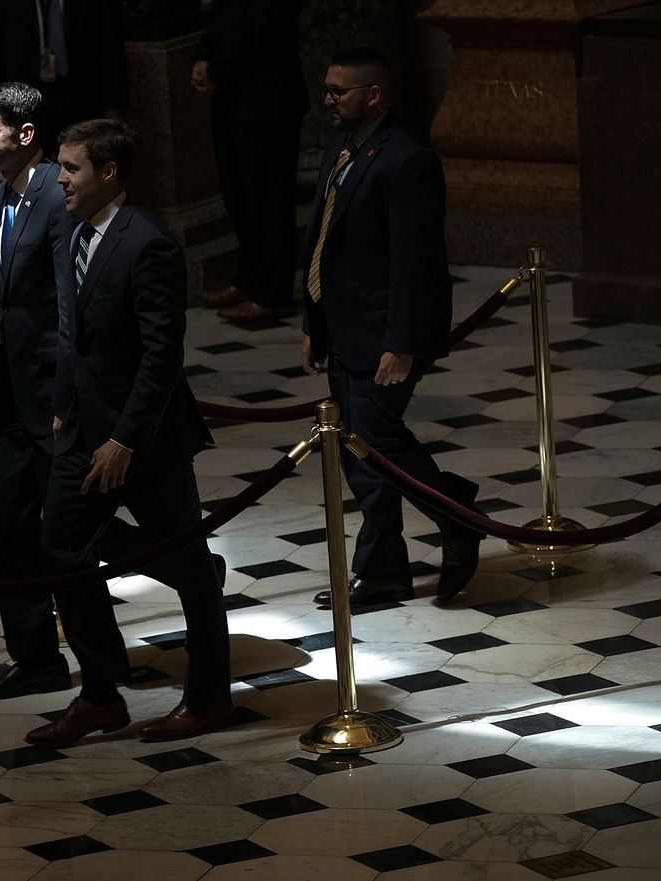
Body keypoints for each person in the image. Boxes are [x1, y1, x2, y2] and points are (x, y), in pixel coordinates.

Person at [28, 119, 233, 746]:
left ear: (108, 173)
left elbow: (160, 357)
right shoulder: (70, 234)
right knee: (60, 549)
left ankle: (207, 699)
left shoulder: (149, 244)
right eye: (60, 166)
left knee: (192, 571)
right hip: (84, 432)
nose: (59, 178)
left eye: (71, 168)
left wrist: (125, 440)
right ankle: (99, 694)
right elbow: (71, 334)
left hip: (147, 444)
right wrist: (64, 404)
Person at [301, 47, 482, 609]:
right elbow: (327, 244)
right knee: (359, 452)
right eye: (326, 89)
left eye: (339, 91)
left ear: (374, 95)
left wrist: (400, 344)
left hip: (385, 334)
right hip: (344, 325)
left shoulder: (408, 160)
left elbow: (416, 262)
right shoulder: (343, 147)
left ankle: (458, 516)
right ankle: (382, 569)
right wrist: (315, 321)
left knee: (377, 439)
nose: (327, 100)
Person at [0, 82, 78, 700]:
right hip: (10, 398)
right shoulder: (3, 197)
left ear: (24, 135)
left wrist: (65, 397)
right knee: (6, 531)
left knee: (70, 531)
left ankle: (181, 565)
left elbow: (67, 307)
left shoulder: (54, 199)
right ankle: (35, 659)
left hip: (51, 401)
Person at [193, 0, 307, 324]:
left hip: (266, 99)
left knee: (268, 199)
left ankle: (272, 292)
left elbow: (263, 33)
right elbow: (220, 17)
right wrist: (202, 56)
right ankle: (250, 277)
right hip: (232, 98)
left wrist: (217, 70)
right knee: (239, 196)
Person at [0, 0, 127, 154]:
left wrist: (114, 105)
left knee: (82, 162)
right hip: (23, 97)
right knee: (32, 166)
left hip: (82, 92)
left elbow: (110, 41)